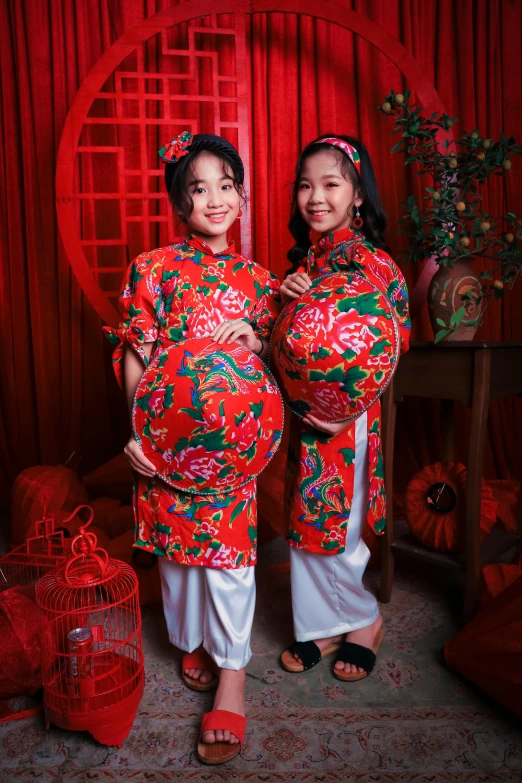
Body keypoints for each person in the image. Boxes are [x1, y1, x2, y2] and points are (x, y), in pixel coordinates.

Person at [104, 132, 281, 763]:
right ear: (180, 203)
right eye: (198, 188)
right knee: (179, 560)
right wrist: (135, 431)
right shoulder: (153, 269)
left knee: (230, 558)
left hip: (233, 447)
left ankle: (231, 669)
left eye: (226, 185)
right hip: (165, 445)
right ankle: (190, 637)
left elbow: (275, 364)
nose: (214, 199)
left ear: (242, 195)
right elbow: (135, 351)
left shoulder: (262, 284)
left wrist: (257, 344)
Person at [279, 135, 410, 682]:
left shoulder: (372, 262)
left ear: (358, 195)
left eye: (331, 184)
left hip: (349, 418)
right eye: (306, 185)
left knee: (341, 521)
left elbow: (394, 338)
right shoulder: (311, 261)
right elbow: (290, 339)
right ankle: (320, 627)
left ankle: (363, 619)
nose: (316, 196)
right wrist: (286, 300)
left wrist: (352, 409)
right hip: (308, 414)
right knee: (305, 520)